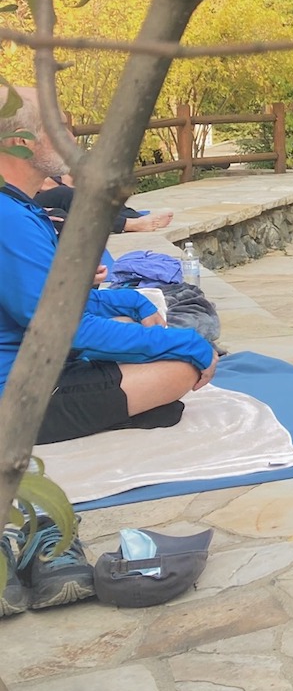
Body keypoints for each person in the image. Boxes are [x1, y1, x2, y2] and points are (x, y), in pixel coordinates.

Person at [0, 88, 217, 447]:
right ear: (22, 143)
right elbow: (62, 328)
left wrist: (133, 302)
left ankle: (119, 407)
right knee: (179, 369)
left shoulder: (19, 210)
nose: (71, 138)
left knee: (131, 327)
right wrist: (189, 342)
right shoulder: (10, 219)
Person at [35, 174, 174, 234]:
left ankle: (135, 217)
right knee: (65, 194)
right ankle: (129, 224)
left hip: (36, 195)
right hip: (24, 201)